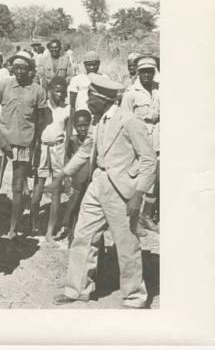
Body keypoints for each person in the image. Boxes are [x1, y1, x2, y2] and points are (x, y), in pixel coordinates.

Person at [52, 73, 156, 309]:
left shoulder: (129, 120)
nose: (87, 100)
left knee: (126, 243)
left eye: (91, 96)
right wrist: (63, 174)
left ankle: (134, 297)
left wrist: (138, 194)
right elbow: (87, 149)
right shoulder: (98, 121)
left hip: (121, 189)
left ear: (104, 99)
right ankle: (77, 289)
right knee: (83, 235)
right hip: (97, 182)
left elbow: (149, 160)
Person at [0, 51, 49, 239]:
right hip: (2, 141)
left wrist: (34, 145)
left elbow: (40, 121)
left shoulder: (37, 90)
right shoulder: (4, 84)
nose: (20, 71)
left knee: (17, 187)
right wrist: (1, 138)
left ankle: (13, 228)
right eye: (16, 68)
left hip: (24, 144)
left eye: (23, 68)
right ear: (12, 68)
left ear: (30, 70)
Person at [121, 55, 160, 234]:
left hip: (157, 141)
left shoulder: (159, 90)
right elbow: (124, 120)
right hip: (138, 144)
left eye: (150, 71)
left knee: (155, 180)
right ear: (138, 73)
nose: (146, 75)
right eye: (143, 71)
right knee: (137, 182)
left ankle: (147, 216)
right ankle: (133, 221)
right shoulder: (131, 93)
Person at [29, 76, 71, 242]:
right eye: (58, 91)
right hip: (42, 149)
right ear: (50, 91)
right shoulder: (42, 108)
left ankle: (50, 231)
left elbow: (68, 135)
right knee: (38, 190)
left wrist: (66, 157)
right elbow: (35, 131)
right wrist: (33, 155)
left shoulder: (67, 110)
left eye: (63, 92)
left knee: (55, 192)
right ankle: (33, 223)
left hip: (59, 150)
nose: (61, 94)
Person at [64, 109, 92, 246]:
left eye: (86, 125)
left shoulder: (93, 140)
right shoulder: (73, 140)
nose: (83, 128)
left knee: (88, 210)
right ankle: (71, 234)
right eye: (79, 126)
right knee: (74, 207)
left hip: (90, 180)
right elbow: (67, 158)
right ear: (74, 126)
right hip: (77, 180)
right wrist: (66, 178)